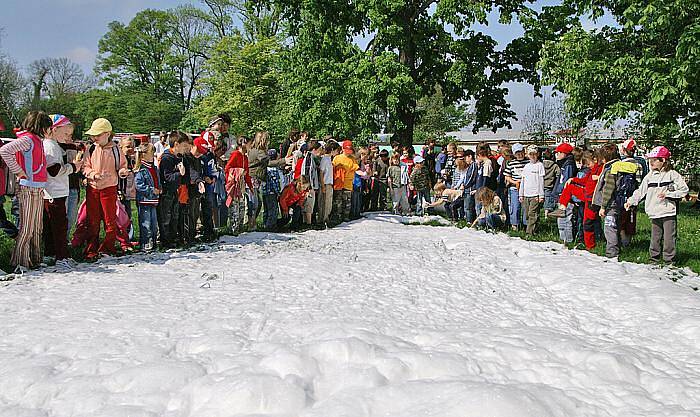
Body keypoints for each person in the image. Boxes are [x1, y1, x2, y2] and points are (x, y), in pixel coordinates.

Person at [0, 111, 51, 271]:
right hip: (27, 188)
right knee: (27, 228)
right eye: (48, 127)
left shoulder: (37, 141)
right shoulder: (28, 139)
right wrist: (18, 171)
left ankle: (35, 259)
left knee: (37, 227)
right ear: (41, 126)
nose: (50, 131)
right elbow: (5, 151)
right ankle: (19, 262)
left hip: (37, 187)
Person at [625, 146, 688, 264]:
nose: (651, 162)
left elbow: (684, 190)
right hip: (654, 211)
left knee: (669, 238)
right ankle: (654, 259)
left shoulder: (672, 175)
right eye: (650, 160)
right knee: (655, 237)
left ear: (663, 160)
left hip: (668, 211)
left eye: (654, 160)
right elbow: (640, 192)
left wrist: (669, 194)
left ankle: (669, 261)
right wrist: (631, 201)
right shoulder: (649, 176)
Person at [81, 118, 129, 260]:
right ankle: (91, 249)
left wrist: (122, 171)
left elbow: (122, 165)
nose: (94, 137)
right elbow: (85, 166)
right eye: (93, 135)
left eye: (97, 134)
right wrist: (92, 175)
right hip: (93, 188)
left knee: (110, 220)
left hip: (109, 188)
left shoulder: (115, 149)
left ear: (108, 134)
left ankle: (108, 248)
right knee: (92, 220)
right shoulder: (91, 148)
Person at [42, 114, 81, 269]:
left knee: (54, 225)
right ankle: (61, 257)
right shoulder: (50, 146)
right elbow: (53, 170)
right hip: (53, 192)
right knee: (59, 226)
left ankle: (51, 254)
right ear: (54, 129)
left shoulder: (54, 145)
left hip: (56, 191)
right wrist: (73, 167)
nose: (68, 137)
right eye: (65, 134)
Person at [549, 149, 603, 250]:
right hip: (586, 195)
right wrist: (573, 179)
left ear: (595, 160)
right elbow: (584, 180)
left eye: (588, 163)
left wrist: (599, 177)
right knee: (569, 187)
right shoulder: (591, 171)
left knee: (587, 223)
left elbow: (606, 178)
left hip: (592, 199)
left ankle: (590, 246)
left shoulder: (600, 168)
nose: (587, 166)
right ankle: (562, 208)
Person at [159, 131, 191, 248]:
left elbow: (185, 174)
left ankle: (174, 238)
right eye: (184, 146)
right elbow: (167, 177)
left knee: (175, 216)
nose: (185, 148)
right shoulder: (167, 158)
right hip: (167, 192)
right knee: (166, 217)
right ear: (176, 144)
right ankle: (165, 240)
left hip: (176, 191)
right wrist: (179, 173)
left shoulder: (181, 157)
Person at [134, 143, 160, 251]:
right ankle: (145, 242)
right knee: (146, 223)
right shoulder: (141, 169)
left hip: (153, 200)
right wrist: (151, 190)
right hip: (145, 200)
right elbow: (138, 184)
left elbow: (156, 180)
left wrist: (159, 188)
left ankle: (153, 242)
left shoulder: (153, 168)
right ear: (143, 155)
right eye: (151, 153)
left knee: (154, 224)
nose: (153, 155)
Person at [224, 135, 253, 234]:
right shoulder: (236, 154)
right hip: (234, 185)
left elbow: (247, 174)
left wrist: (251, 187)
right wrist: (239, 171)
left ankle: (240, 227)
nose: (251, 146)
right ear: (243, 143)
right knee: (234, 208)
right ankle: (233, 229)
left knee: (242, 207)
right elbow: (227, 168)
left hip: (241, 185)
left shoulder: (245, 157)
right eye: (249, 143)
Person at [553, 143, 578, 243]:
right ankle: (562, 238)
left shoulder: (569, 165)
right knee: (561, 217)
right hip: (561, 195)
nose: (557, 155)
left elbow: (565, 181)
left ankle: (568, 240)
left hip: (565, 196)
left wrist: (561, 193)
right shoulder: (564, 164)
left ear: (565, 153)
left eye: (559, 152)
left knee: (566, 217)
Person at [518, 145, 545, 235]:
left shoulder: (540, 165)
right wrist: (520, 194)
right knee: (527, 214)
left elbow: (541, 181)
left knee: (532, 213)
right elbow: (523, 181)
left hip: (535, 194)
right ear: (528, 155)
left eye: (535, 154)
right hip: (526, 194)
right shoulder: (526, 166)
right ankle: (535, 229)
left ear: (538, 154)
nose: (533, 156)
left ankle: (529, 233)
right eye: (531, 154)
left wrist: (541, 195)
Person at [332, 140, 359, 223]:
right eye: (347, 150)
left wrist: (365, 173)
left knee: (347, 203)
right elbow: (332, 169)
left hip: (348, 184)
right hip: (338, 183)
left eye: (350, 150)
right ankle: (337, 218)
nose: (348, 152)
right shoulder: (337, 158)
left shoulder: (352, 159)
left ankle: (345, 217)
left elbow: (357, 169)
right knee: (338, 202)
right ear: (343, 149)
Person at [504, 143, 528, 231]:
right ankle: (515, 224)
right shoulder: (511, 163)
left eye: (521, 152)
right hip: (515, 188)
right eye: (517, 153)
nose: (520, 155)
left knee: (526, 207)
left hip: (526, 188)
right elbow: (507, 176)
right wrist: (514, 182)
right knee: (515, 207)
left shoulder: (528, 162)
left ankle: (526, 224)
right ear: (514, 154)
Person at [262, 149, 284, 230]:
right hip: (272, 192)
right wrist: (278, 192)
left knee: (266, 210)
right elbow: (274, 182)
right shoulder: (273, 169)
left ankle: (265, 224)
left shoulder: (265, 168)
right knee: (273, 210)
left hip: (265, 191)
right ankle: (270, 226)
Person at [318, 142, 337, 226]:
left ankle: (326, 218)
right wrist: (322, 186)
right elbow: (321, 173)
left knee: (328, 203)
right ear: (332, 150)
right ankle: (323, 220)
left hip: (329, 183)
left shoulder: (329, 159)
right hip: (325, 184)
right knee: (324, 203)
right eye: (336, 150)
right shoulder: (325, 159)